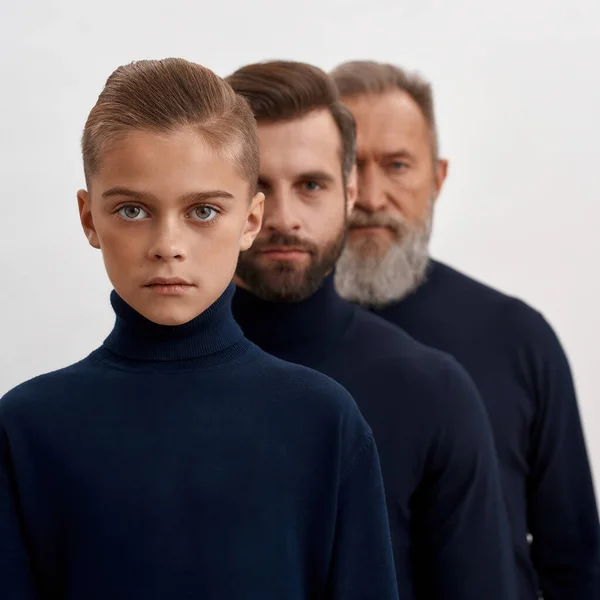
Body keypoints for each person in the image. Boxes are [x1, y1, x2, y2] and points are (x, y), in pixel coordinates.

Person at [0, 58, 399, 600]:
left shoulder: (324, 423)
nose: (168, 244)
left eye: (203, 211)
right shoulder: (25, 430)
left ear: (250, 221)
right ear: (89, 216)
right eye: (134, 210)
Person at [227, 60, 517, 600]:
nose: (285, 217)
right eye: (257, 188)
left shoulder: (435, 392)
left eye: (311, 184)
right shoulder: (138, 382)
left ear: (348, 189)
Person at [331, 59, 600, 600]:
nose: (372, 197)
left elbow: (574, 562)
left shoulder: (519, 337)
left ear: (438, 177)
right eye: (352, 168)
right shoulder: (250, 339)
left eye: (399, 165)